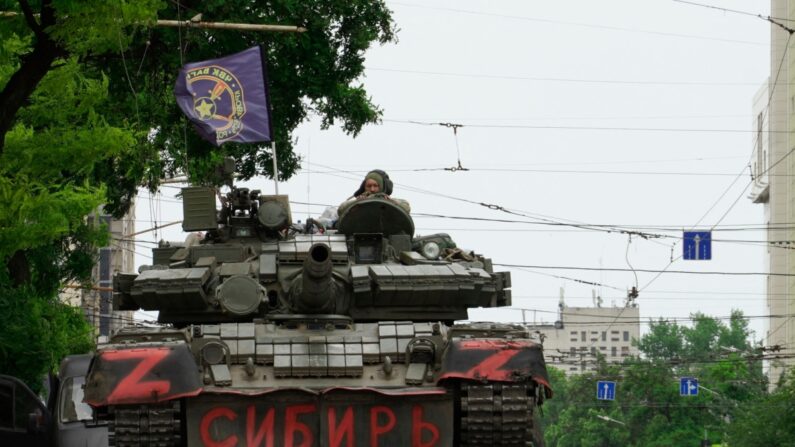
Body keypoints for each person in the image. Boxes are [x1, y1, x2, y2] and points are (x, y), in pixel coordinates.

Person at [338, 169, 410, 215]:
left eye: (376, 186)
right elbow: (341, 209)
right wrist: (356, 202)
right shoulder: (360, 200)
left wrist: (391, 201)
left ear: (381, 187)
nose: (372, 189)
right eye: (369, 186)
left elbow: (406, 207)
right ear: (364, 187)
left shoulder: (389, 200)